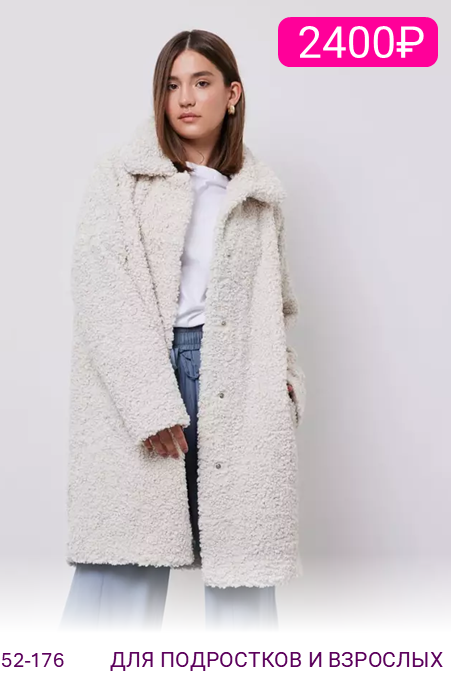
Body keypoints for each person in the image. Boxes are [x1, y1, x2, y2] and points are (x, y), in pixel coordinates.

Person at [59, 28, 306, 632]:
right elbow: (101, 290)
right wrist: (149, 403)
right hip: (149, 369)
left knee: (243, 571)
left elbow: (275, 304)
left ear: (233, 94)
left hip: (235, 379)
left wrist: (285, 384)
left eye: (201, 82)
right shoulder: (123, 176)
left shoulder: (257, 195)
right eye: (172, 85)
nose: (186, 99)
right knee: (124, 564)